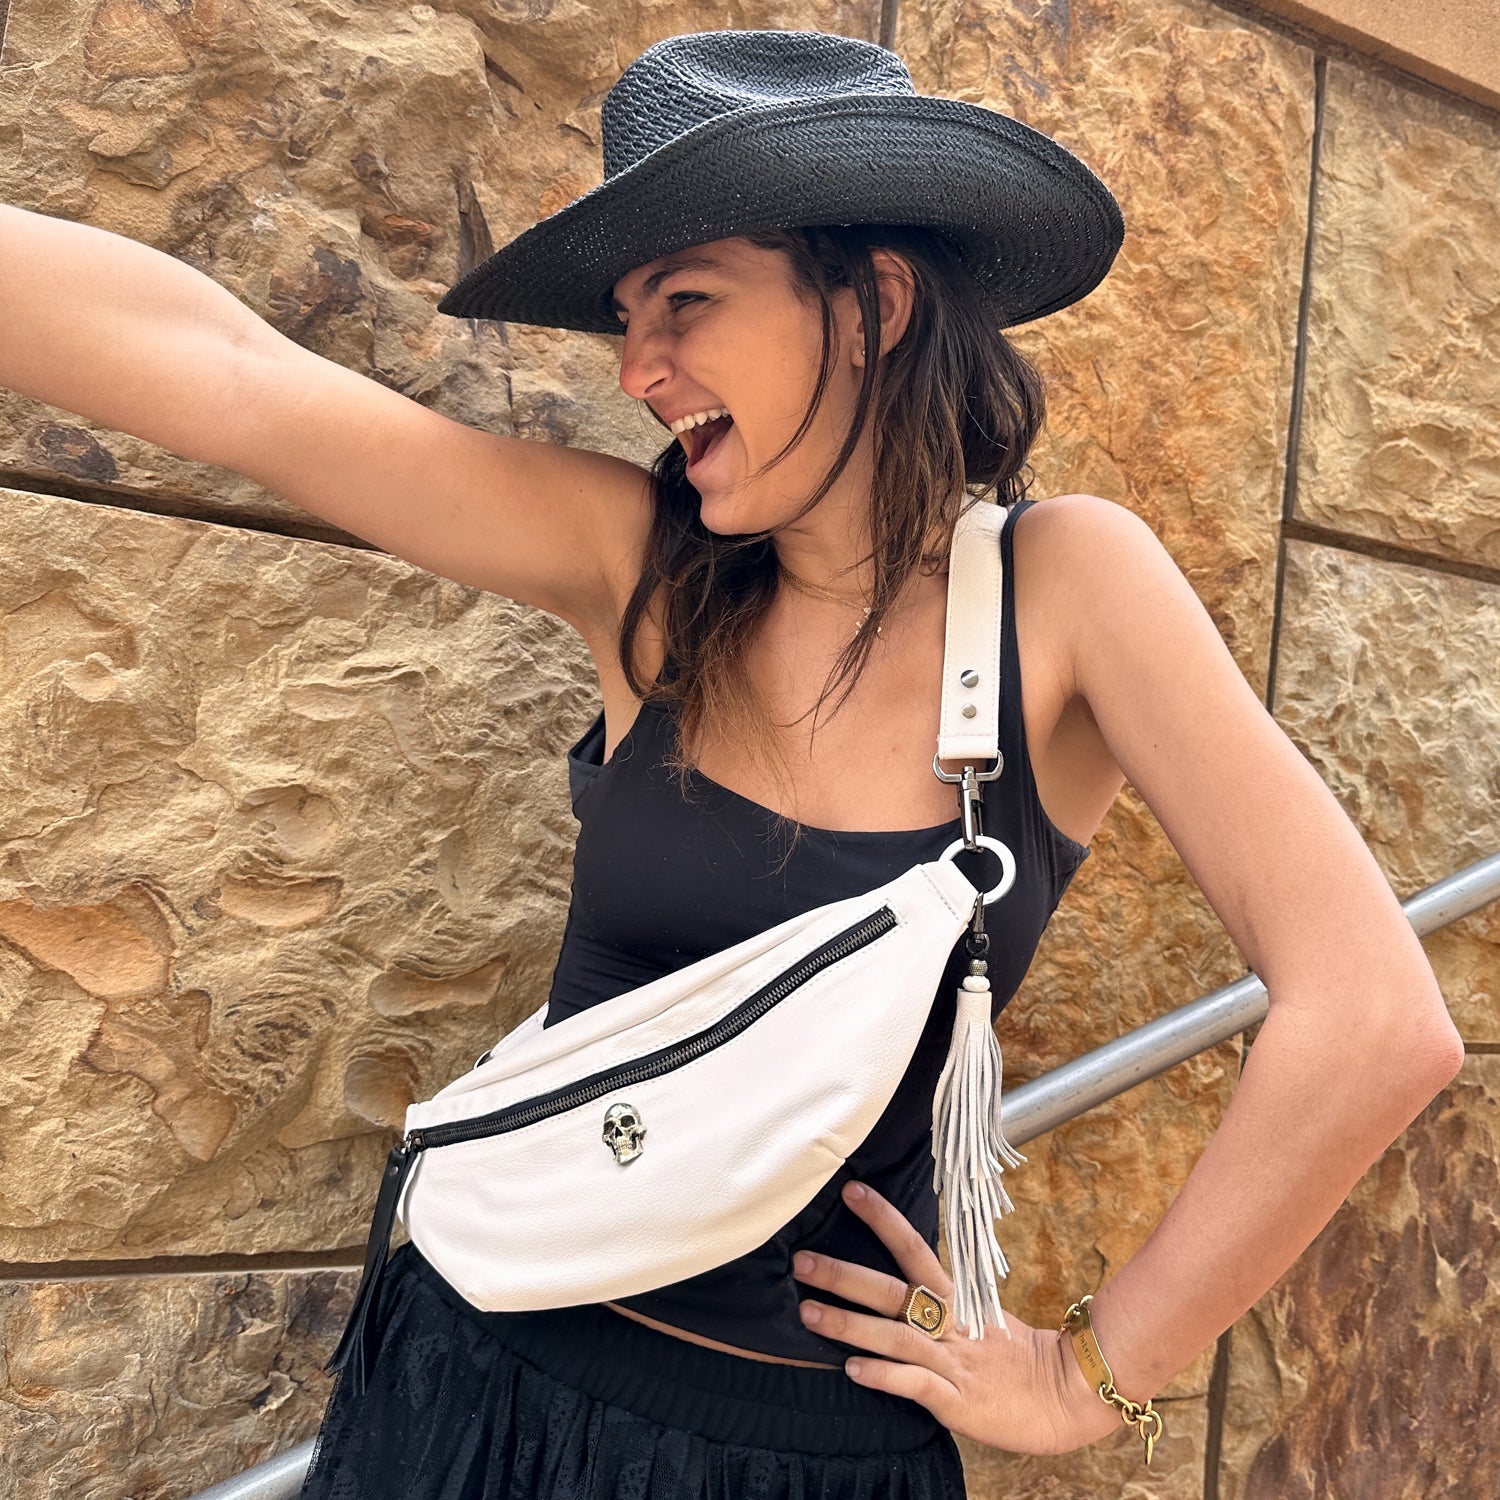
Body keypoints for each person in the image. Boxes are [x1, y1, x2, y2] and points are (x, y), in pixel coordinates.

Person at [0, 27, 1462, 1500]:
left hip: (801, 1463)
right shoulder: (635, 569)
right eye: (630, 318)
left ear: (874, 302)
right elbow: (236, 379)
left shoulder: (1065, 593)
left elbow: (1373, 1017)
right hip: (472, 1389)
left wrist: (1097, 1370)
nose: (638, 370)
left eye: (687, 303)